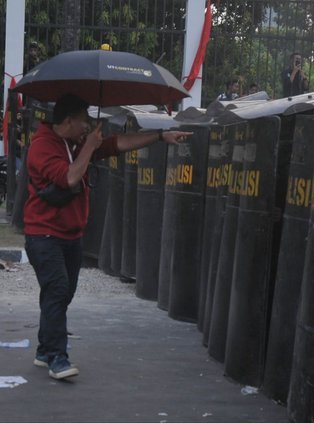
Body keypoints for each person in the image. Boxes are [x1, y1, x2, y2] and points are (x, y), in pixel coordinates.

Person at [24, 93, 192, 380]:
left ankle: (43, 348)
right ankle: (57, 358)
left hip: (71, 233)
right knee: (57, 290)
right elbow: (69, 178)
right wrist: (89, 147)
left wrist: (161, 136)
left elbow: (118, 145)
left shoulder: (75, 142)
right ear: (67, 121)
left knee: (63, 294)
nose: (87, 126)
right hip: (44, 234)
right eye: (83, 121)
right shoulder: (42, 147)